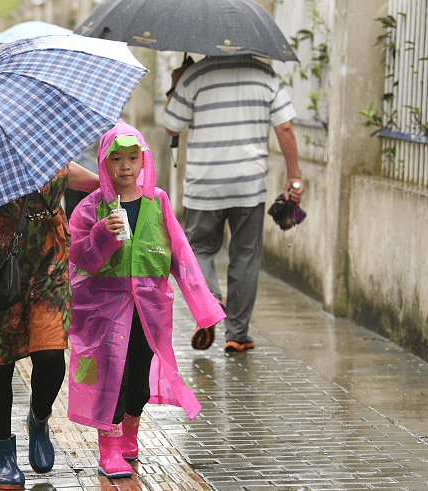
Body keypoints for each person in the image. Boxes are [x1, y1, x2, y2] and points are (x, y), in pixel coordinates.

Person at [67, 120, 225, 478]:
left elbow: (180, 254)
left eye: (132, 158)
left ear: (143, 161)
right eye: (116, 158)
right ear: (103, 163)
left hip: (148, 309)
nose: (125, 166)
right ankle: (108, 449)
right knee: (110, 380)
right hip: (104, 313)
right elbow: (80, 258)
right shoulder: (92, 208)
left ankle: (130, 434)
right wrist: (101, 235)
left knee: (138, 378)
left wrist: (204, 306)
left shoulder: (158, 202)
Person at [0, 162, 98, 490]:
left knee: (51, 355)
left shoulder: (43, 145)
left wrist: (114, 181)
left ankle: (39, 419)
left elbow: (75, 175)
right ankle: (3, 454)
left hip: (48, 262)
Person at [162, 54, 305, 353]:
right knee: (245, 257)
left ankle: (211, 298)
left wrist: (176, 85)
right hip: (248, 185)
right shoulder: (265, 75)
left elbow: (171, 126)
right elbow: (285, 128)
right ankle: (237, 335)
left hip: (204, 185)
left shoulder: (195, 75)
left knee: (199, 248)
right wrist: (294, 176)